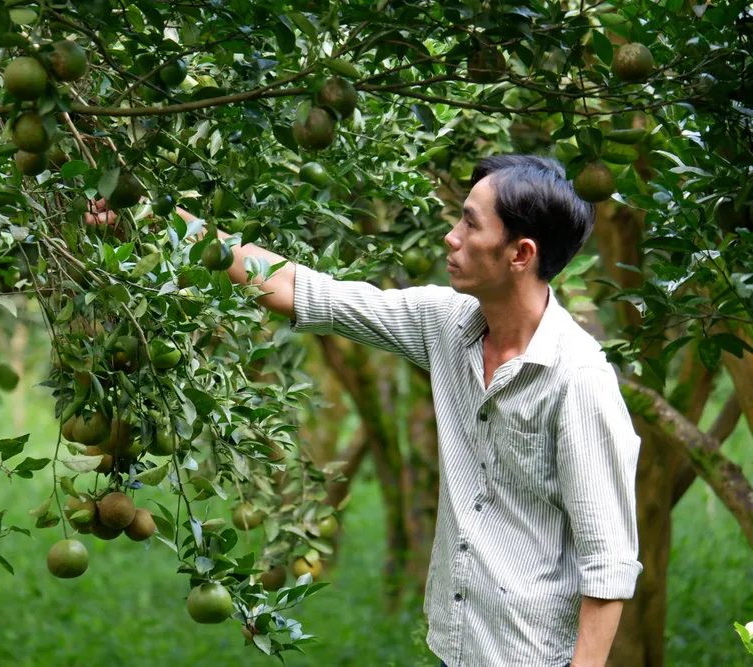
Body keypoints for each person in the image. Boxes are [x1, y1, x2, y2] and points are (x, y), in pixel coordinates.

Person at [85, 154, 642, 667]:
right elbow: (301, 291)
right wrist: (156, 218)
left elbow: (609, 567)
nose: (451, 238)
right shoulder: (447, 323)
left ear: (520, 255)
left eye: (471, 224)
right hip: (459, 648)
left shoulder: (578, 382)